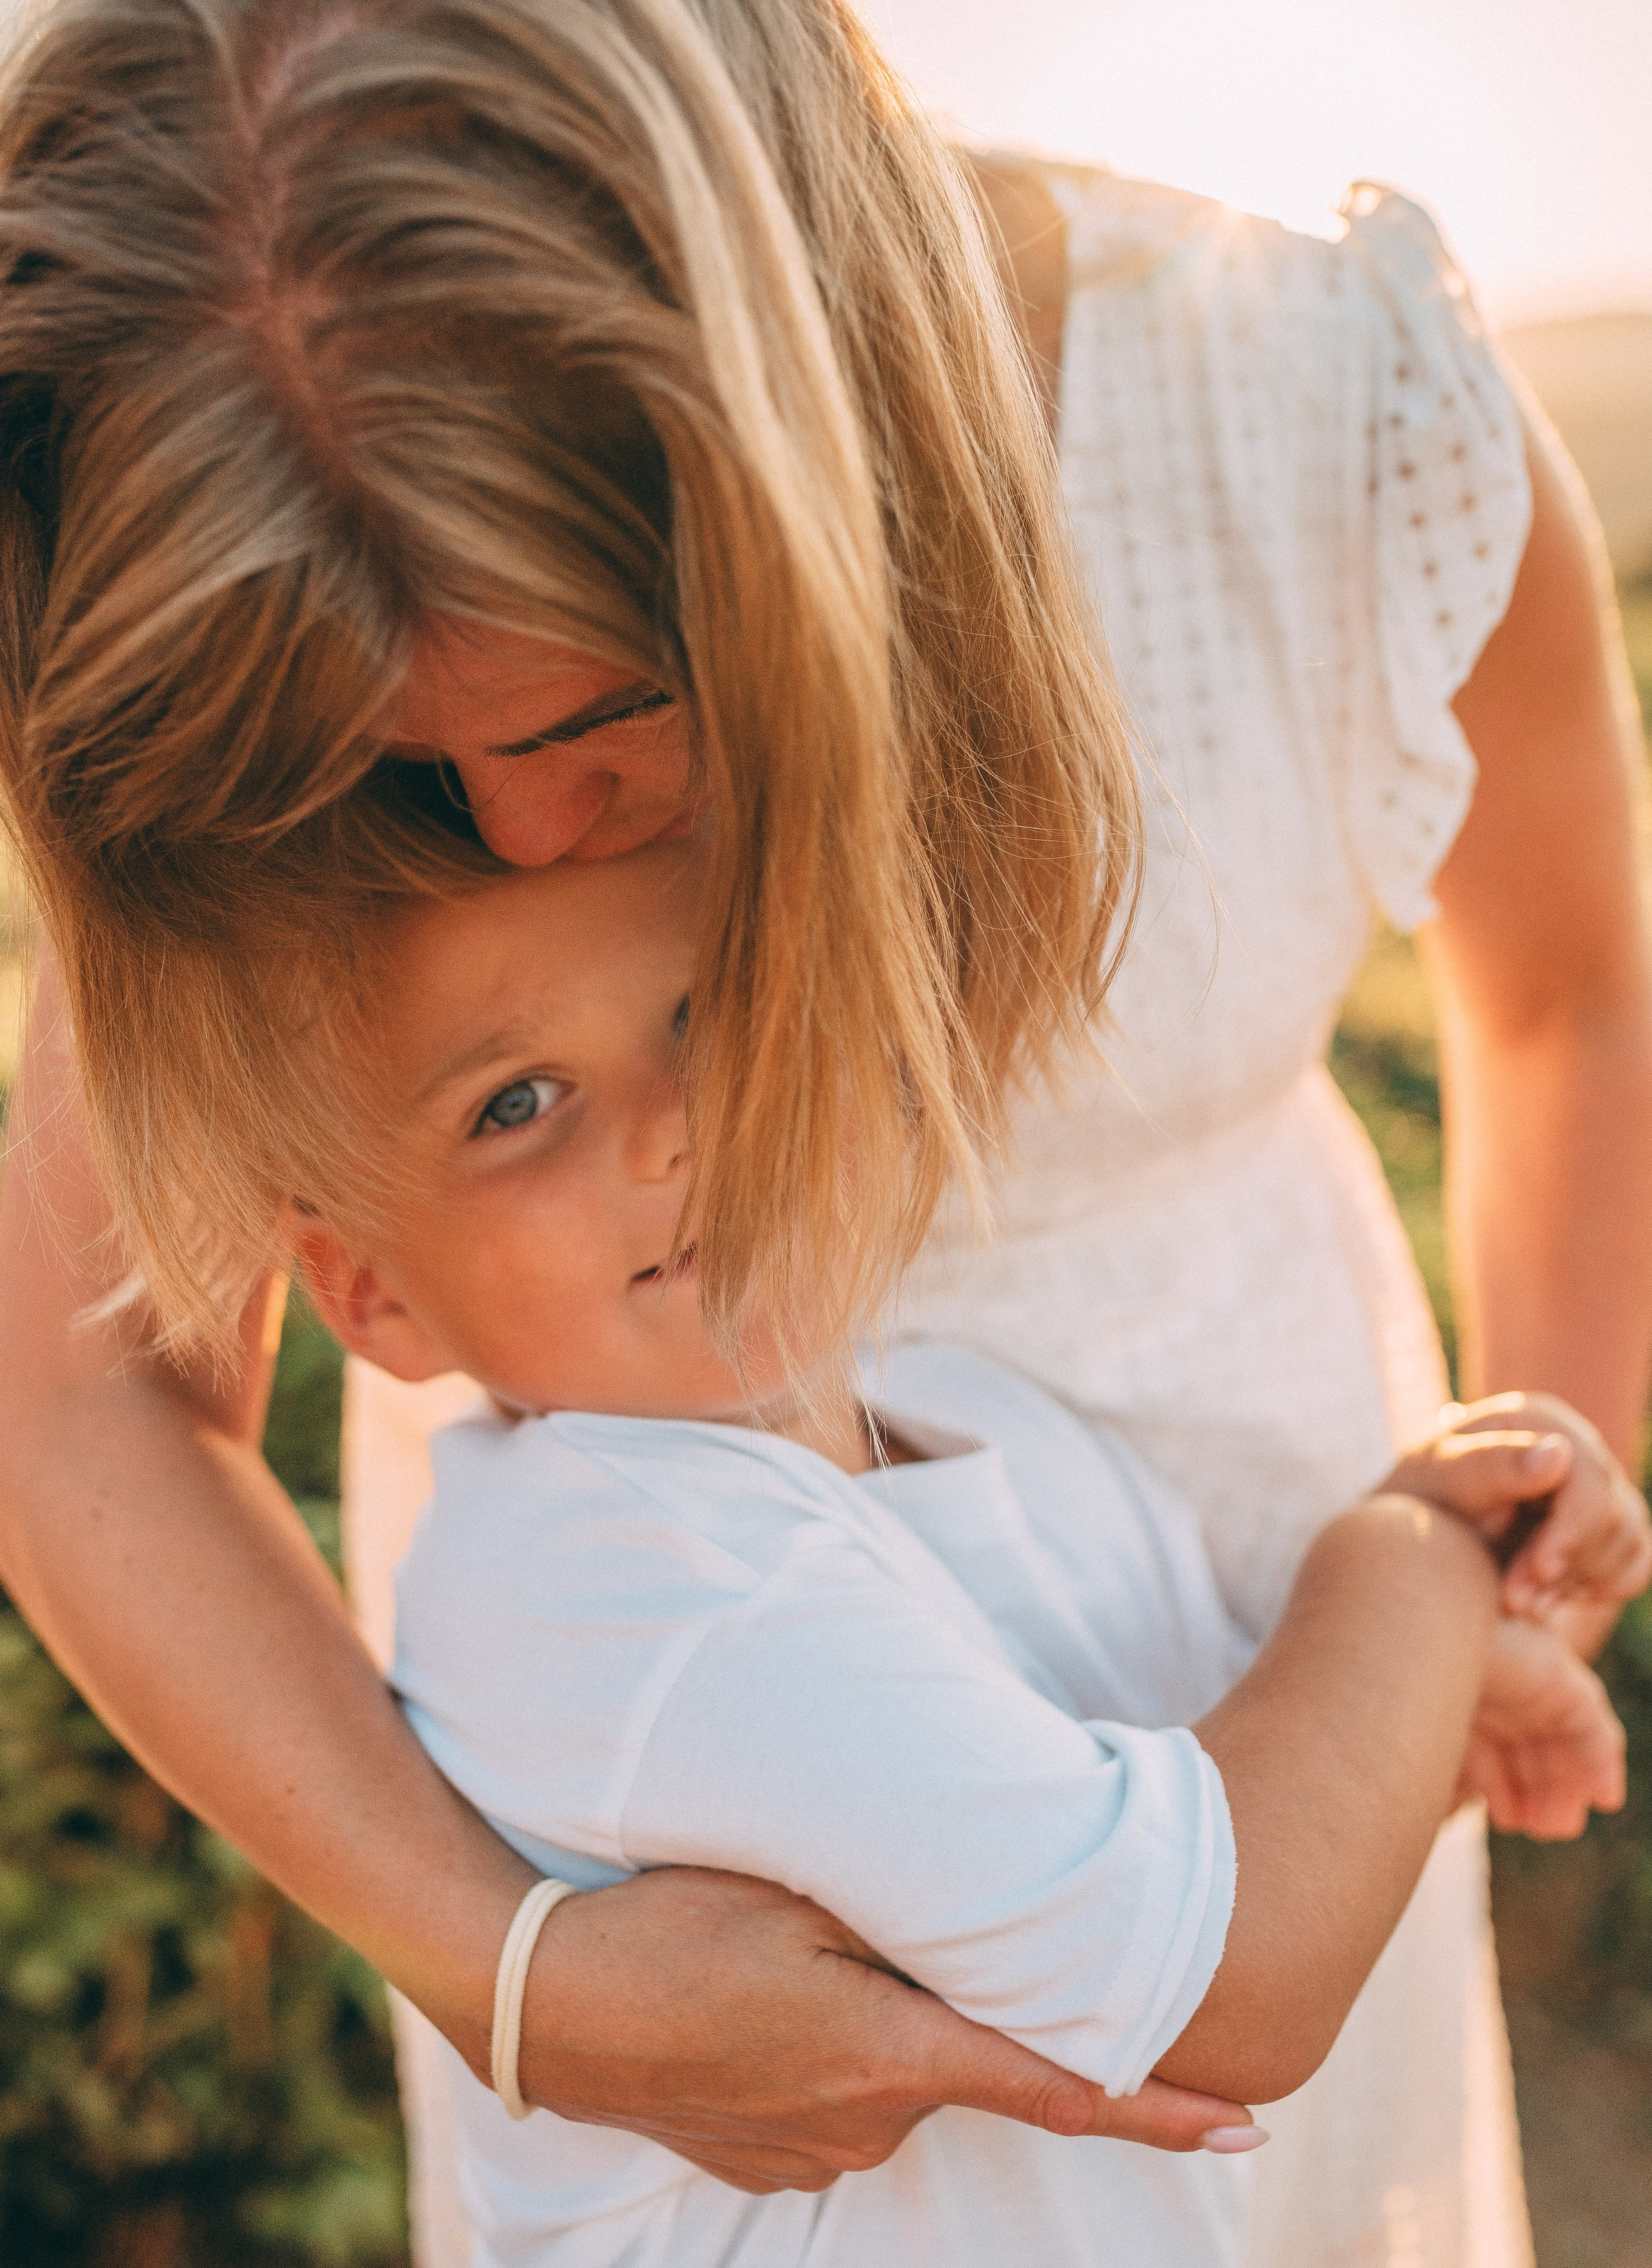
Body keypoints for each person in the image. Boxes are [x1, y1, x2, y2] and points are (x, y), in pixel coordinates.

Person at [0, 0, 1648, 2263]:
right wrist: (519, 1963)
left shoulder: (1324, 416)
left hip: (1289, 1712)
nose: (525, 838)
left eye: (606, 706)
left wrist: (1504, 1580)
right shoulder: (305, 609)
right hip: (680, 1902)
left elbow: (1575, 989)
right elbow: (85, 1365)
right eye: (404, 765)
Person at [287, 829, 1624, 2267]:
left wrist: (1437, 1710)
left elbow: (1227, 1820)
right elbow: (1229, 1976)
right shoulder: (606, 1575)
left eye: (703, 1011)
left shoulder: (989, 1438)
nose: (677, 1119)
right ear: (368, 1290)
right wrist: (1415, 1550)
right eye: (517, 1101)